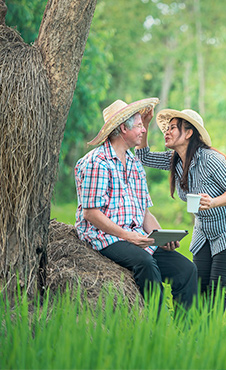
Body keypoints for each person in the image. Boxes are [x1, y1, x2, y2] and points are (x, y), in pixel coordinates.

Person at [74, 98, 198, 311]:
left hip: (135, 236)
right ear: (123, 128)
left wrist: (160, 236)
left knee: (186, 270)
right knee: (146, 264)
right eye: (140, 125)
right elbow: (91, 214)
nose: (143, 131)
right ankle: (156, 328)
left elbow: (144, 212)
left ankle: (184, 334)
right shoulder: (97, 162)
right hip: (105, 237)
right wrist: (127, 235)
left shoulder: (133, 164)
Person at [135, 108, 226, 311]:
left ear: (188, 133)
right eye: (166, 128)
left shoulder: (210, 159)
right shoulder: (175, 160)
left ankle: (211, 337)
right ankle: (192, 337)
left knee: (216, 292)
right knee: (196, 287)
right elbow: (143, 157)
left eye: (172, 128)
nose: (166, 132)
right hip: (203, 232)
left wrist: (213, 202)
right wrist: (144, 124)